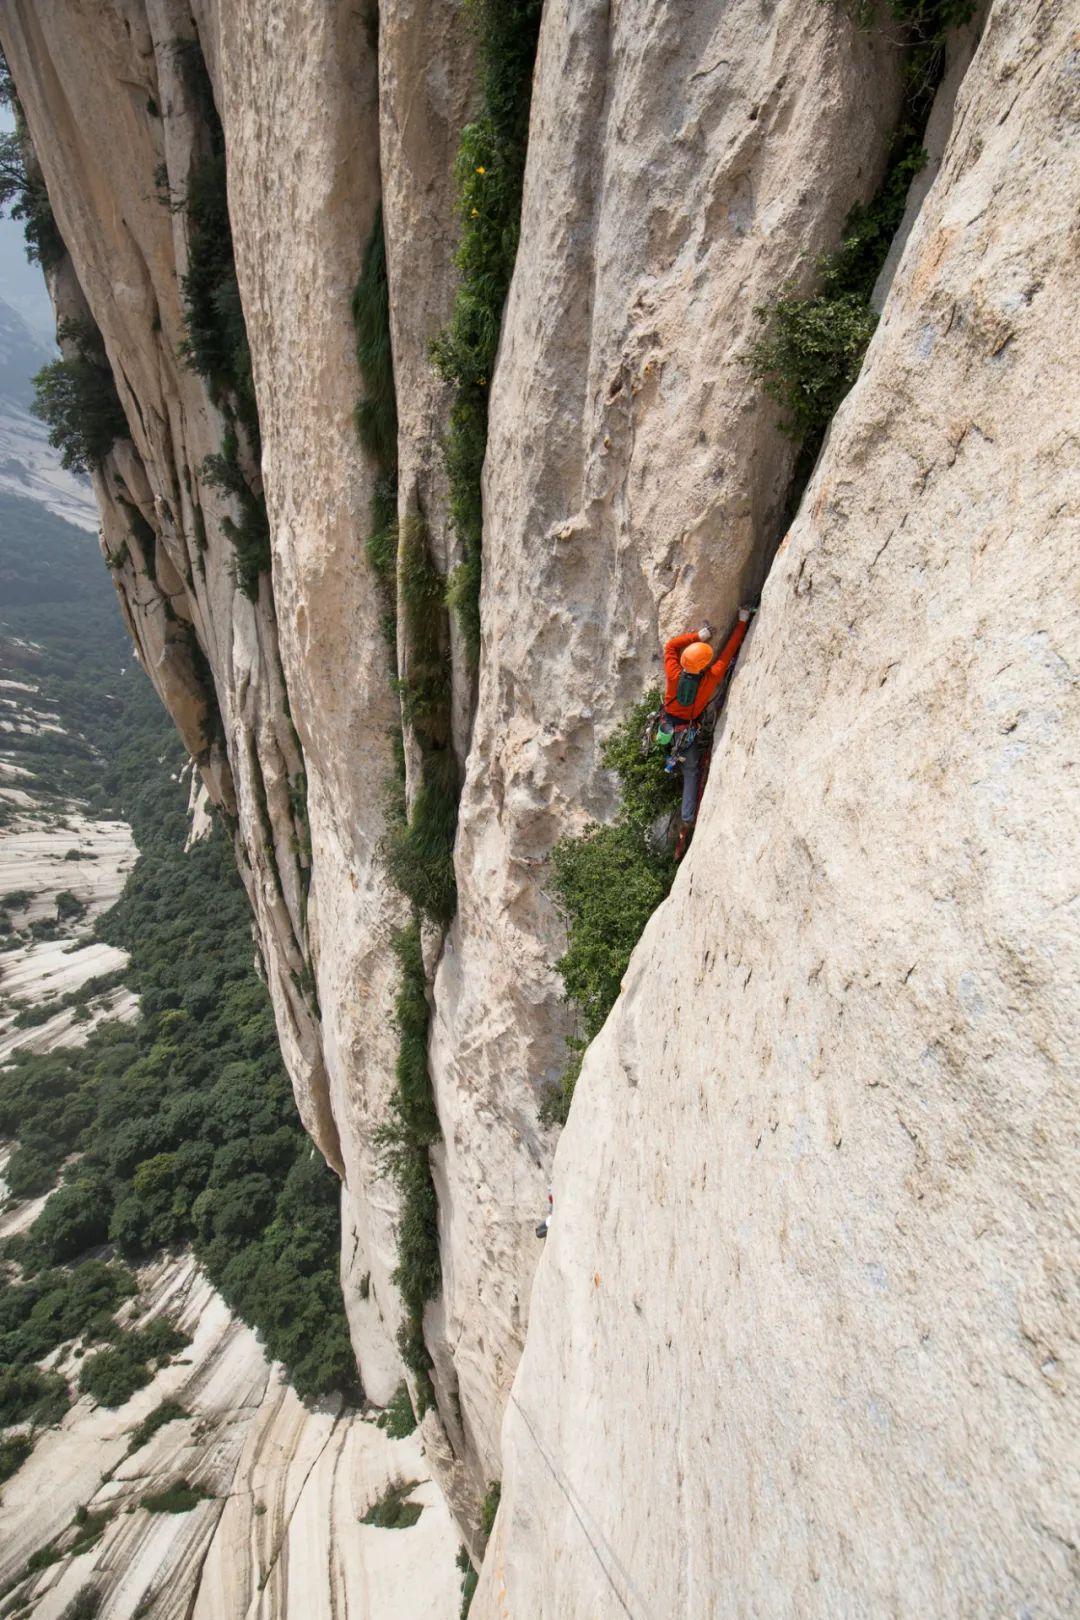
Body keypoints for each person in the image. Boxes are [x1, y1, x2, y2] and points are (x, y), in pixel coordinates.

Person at [662, 608, 753, 841]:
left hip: (669, 728)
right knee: (691, 772)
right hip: (689, 732)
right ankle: (688, 816)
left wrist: (698, 636)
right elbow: (728, 652)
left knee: (683, 764)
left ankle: (684, 812)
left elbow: (671, 646)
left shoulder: (673, 674)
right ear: (703, 665)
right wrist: (742, 621)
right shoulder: (710, 678)